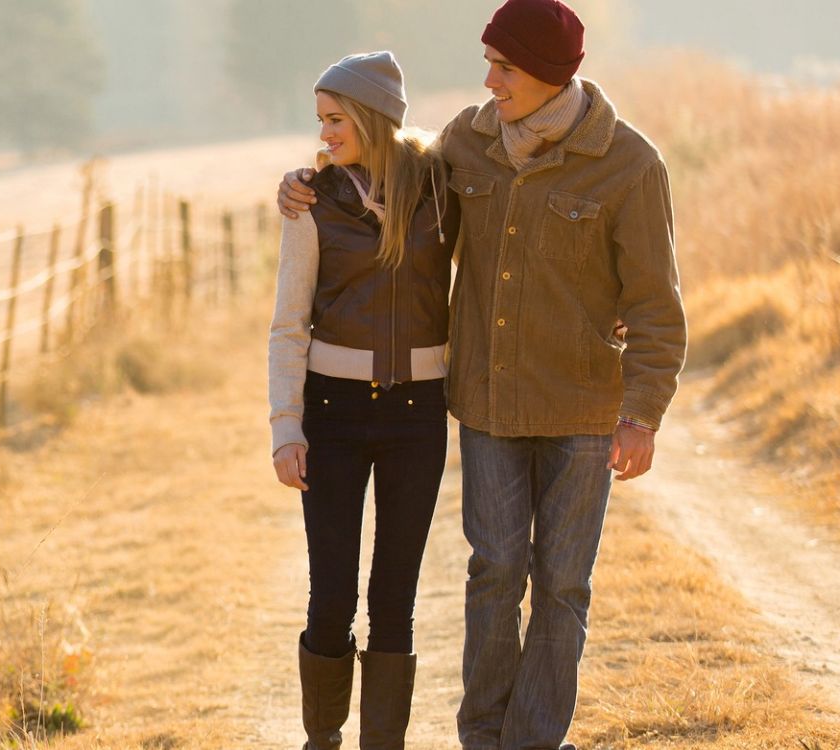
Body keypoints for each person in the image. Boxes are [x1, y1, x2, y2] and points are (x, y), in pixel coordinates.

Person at [277, 2, 687, 747]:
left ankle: (532, 738)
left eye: (505, 68)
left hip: (583, 410)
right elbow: (390, 158)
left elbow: (658, 305)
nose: (488, 81)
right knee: (494, 574)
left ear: (551, 75)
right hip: (488, 405)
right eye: (488, 63)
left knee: (562, 586)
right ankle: (483, 732)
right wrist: (306, 178)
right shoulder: (469, 142)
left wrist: (643, 412)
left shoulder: (631, 164)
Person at [268, 50, 457, 750]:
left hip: (418, 415)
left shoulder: (442, 191)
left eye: (337, 119)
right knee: (332, 594)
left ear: (376, 118)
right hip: (333, 416)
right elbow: (289, 323)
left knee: (395, 597)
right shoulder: (312, 198)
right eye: (320, 120)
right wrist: (287, 427)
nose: (324, 135)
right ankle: (323, 739)